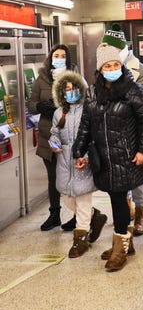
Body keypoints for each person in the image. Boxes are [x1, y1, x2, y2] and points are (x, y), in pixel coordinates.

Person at [73, 43, 143, 271]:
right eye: (107, 65)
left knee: (119, 200)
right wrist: (79, 152)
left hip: (127, 157)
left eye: (115, 64)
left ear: (121, 65)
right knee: (115, 197)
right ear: (100, 69)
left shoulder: (132, 90)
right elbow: (86, 124)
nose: (112, 68)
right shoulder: (92, 93)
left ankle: (120, 248)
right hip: (104, 158)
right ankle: (125, 243)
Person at [49, 71, 107, 258]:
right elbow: (54, 133)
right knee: (68, 199)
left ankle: (80, 240)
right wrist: (54, 143)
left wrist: (88, 157)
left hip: (83, 160)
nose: (70, 92)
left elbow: (95, 137)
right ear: (61, 93)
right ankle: (95, 215)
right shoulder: (59, 113)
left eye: (74, 89)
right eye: (66, 89)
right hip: (64, 162)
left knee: (82, 200)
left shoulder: (88, 109)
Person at [100, 27, 143, 235]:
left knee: (136, 178)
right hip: (112, 134)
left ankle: (140, 215)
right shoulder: (105, 69)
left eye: (110, 46)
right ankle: (126, 211)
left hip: (133, 133)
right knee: (118, 179)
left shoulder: (138, 69)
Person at [28, 44, 80, 231]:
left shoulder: (74, 77)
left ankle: (78, 215)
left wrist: (65, 106)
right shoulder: (41, 78)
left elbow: (83, 102)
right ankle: (54, 214)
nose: (59, 58)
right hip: (47, 136)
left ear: (67, 59)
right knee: (53, 178)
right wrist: (43, 107)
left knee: (73, 178)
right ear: (51, 57)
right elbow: (31, 103)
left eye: (63, 55)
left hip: (70, 135)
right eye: (56, 55)